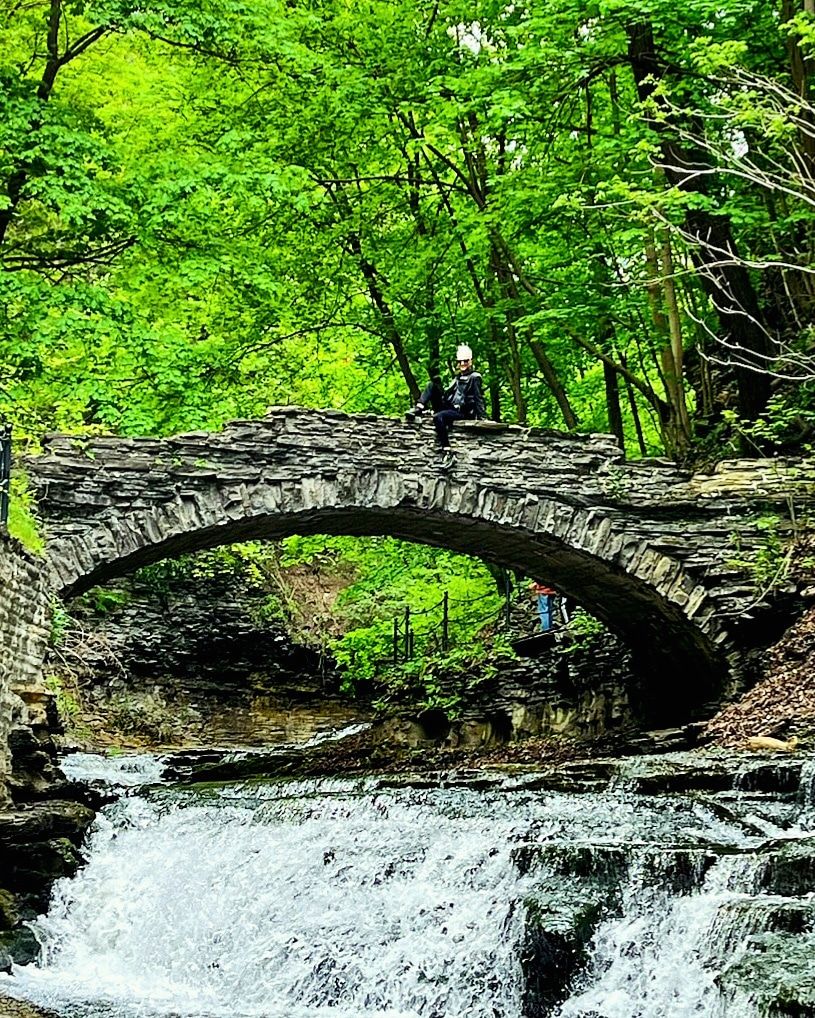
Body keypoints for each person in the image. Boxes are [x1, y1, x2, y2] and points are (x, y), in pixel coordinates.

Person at [405, 345, 486, 452]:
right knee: (431, 385)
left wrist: (482, 418)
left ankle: (447, 449)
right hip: (450, 407)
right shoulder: (457, 378)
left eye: (465, 361)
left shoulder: (475, 377)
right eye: (460, 361)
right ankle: (418, 408)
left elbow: (478, 397)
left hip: (462, 412)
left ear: (470, 361)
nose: (462, 364)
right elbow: (448, 396)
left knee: (439, 417)